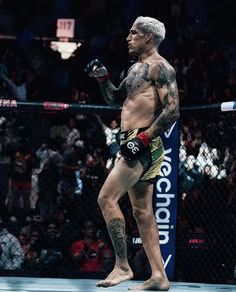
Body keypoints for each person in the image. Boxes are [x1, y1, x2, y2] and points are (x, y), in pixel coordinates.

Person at [85, 16, 179, 290]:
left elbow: (172, 111)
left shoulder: (161, 68)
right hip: (134, 141)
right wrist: (103, 79)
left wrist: (143, 139)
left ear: (148, 38)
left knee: (106, 198)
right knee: (142, 212)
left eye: (133, 33)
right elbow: (116, 99)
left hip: (142, 142)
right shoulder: (136, 69)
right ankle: (160, 276)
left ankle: (122, 266)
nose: (128, 37)